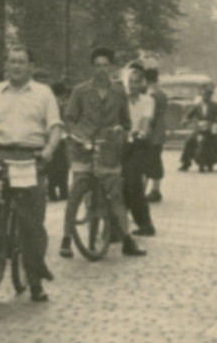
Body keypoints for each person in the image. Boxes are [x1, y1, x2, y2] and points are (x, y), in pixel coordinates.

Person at [0, 45, 63, 302]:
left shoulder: (43, 94)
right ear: (5, 65)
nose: (16, 66)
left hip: (30, 159)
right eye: (12, 61)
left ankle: (34, 280)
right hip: (0, 156)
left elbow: (55, 127)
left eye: (22, 62)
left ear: (31, 66)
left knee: (31, 222)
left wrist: (49, 149)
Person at [61, 47, 143, 258]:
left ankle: (127, 239)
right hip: (84, 148)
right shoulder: (80, 91)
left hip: (109, 149)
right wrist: (80, 136)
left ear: (111, 67)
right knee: (76, 192)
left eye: (105, 65)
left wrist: (121, 133)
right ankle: (67, 238)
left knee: (116, 195)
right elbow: (69, 120)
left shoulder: (118, 92)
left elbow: (126, 122)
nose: (101, 70)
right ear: (92, 68)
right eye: (97, 65)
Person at [122, 63, 157, 237]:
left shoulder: (149, 100)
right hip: (120, 144)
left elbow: (147, 120)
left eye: (136, 82)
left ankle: (146, 224)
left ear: (141, 83)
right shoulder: (120, 100)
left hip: (139, 145)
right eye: (130, 82)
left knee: (133, 184)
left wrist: (141, 132)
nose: (133, 85)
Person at [180, 80, 217, 173]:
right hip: (200, 127)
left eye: (208, 95)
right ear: (202, 95)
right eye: (204, 95)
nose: (206, 97)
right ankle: (185, 163)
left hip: (215, 126)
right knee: (189, 141)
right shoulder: (196, 106)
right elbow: (189, 115)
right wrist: (185, 120)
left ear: (211, 96)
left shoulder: (216, 105)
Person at [143, 67, 168, 201]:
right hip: (160, 131)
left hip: (152, 133)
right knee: (155, 160)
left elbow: (149, 116)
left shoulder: (151, 95)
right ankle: (154, 189)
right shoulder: (162, 93)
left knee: (151, 160)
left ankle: (152, 190)